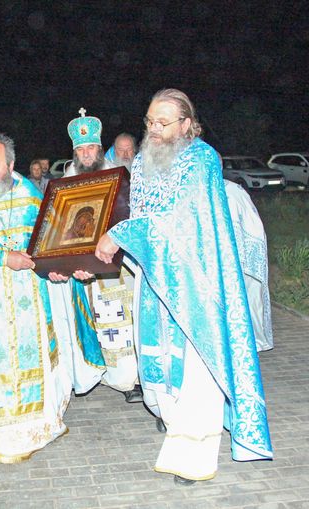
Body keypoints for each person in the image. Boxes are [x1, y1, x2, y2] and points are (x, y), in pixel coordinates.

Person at [94, 88, 273, 484]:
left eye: (163, 122)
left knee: (197, 368)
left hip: (198, 284)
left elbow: (179, 220)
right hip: (154, 280)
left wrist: (121, 235)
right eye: (149, 122)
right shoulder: (140, 163)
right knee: (158, 362)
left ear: (186, 124)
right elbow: (137, 213)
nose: (153, 129)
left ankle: (193, 452)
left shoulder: (202, 159)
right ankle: (174, 421)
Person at [0, 131, 104, 463]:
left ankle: (42, 427)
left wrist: (63, 265)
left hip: (32, 292)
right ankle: (2, 435)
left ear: (11, 164)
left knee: (37, 355)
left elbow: (52, 239)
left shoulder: (29, 194)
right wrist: (2, 257)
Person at [52, 108, 143, 404]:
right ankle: (101, 372)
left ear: (100, 148)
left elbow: (132, 217)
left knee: (124, 323)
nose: (87, 153)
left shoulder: (119, 175)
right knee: (94, 321)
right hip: (84, 269)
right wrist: (72, 263)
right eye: (81, 148)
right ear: (74, 152)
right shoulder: (66, 180)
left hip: (119, 265)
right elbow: (59, 230)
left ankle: (130, 379)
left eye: (91, 147)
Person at [224, 180, 274, 352]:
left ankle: (249, 342)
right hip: (219, 261)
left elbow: (252, 224)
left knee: (248, 299)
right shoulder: (199, 189)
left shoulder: (234, 191)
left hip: (241, 258)